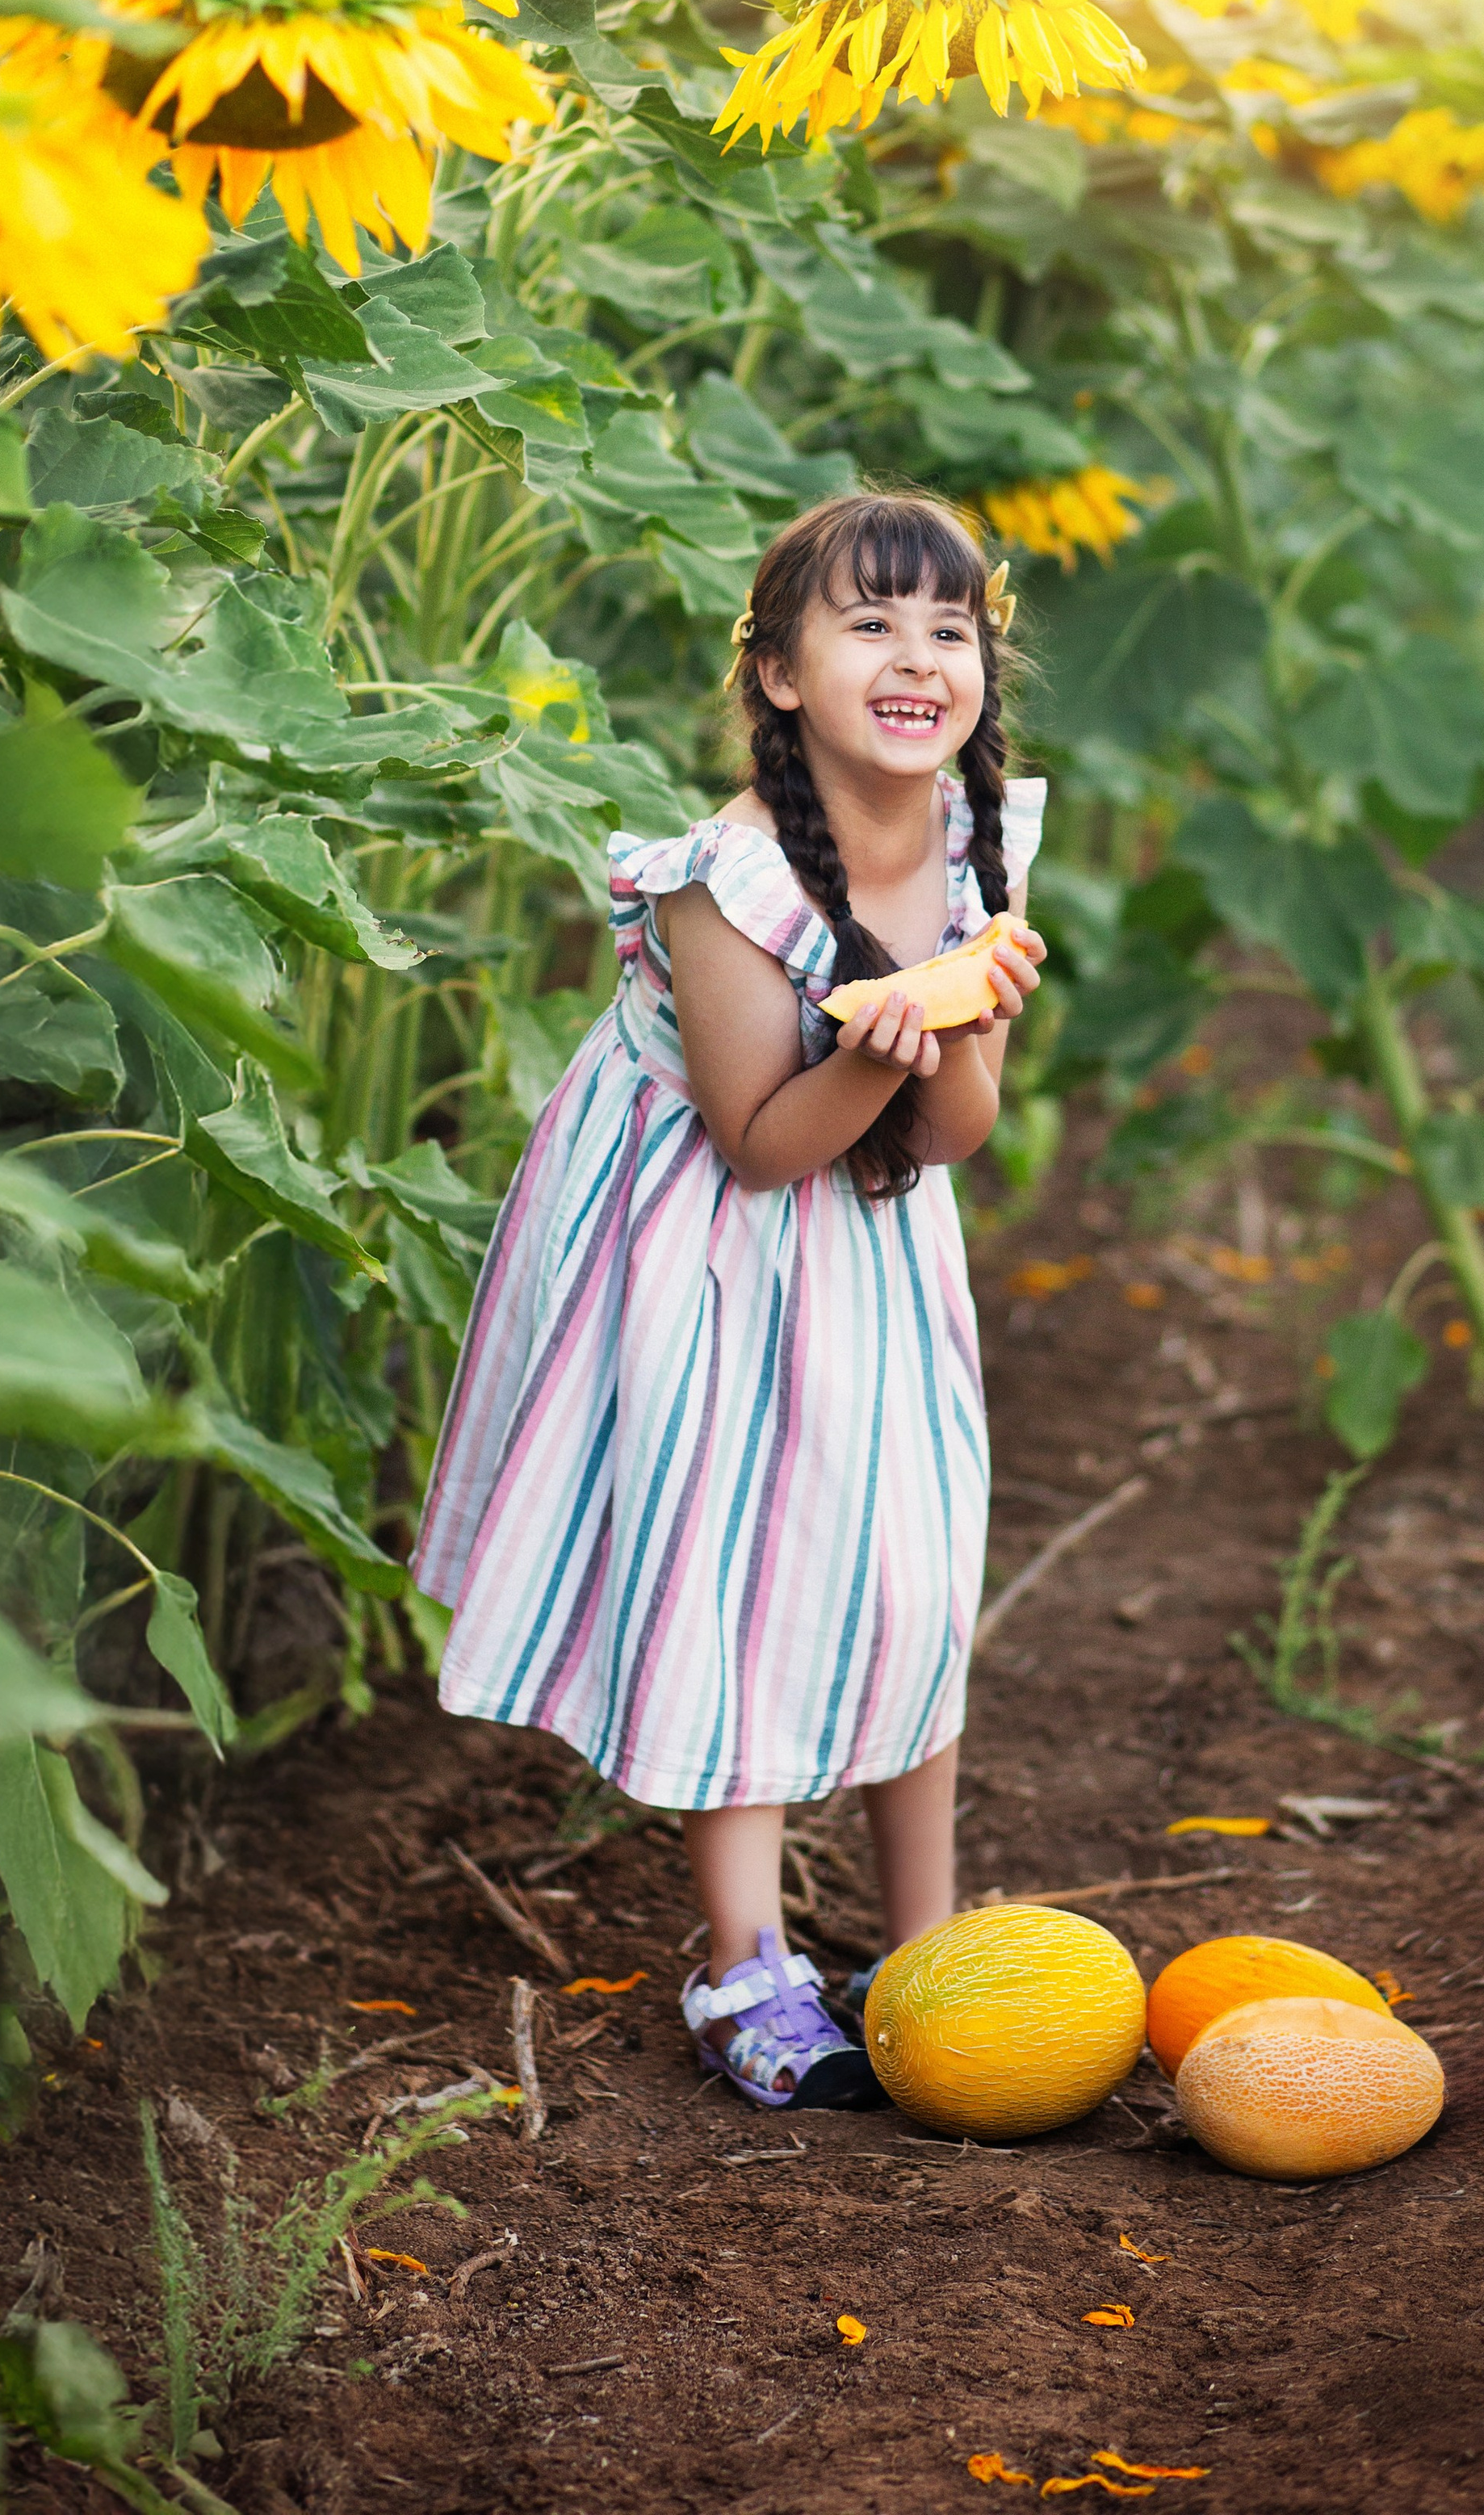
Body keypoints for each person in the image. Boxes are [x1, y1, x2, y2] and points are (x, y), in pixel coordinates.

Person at [411, 490, 1047, 2108]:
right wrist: (866, 1048)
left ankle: (927, 1950)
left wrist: (960, 1026)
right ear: (776, 675)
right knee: (745, 1572)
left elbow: (954, 1138)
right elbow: (761, 1146)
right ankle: (742, 1962)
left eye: (948, 627)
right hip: (706, 1246)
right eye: (868, 624)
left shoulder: (968, 843)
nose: (918, 657)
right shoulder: (720, 883)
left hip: (884, 1247)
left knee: (914, 1562)